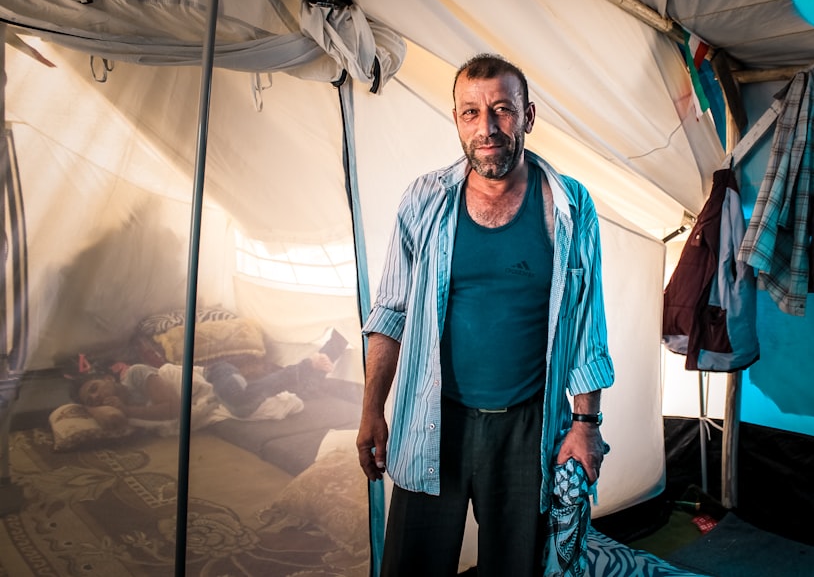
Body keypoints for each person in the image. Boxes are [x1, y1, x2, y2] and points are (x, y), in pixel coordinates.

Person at [357, 53, 614, 576]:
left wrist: (585, 424)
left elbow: (588, 323)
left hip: (527, 426)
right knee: (412, 565)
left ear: (528, 116)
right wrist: (371, 410)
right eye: (471, 113)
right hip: (432, 419)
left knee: (516, 566)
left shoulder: (569, 205)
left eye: (502, 109)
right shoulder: (424, 201)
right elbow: (390, 313)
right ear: (456, 119)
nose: (487, 127)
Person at [72, 352, 340, 422]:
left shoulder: (135, 375)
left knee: (238, 400)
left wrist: (127, 411)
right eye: (91, 400)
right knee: (245, 403)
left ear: (108, 379)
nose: (96, 397)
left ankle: (307, 365)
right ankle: (310, 374)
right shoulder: (129, 401)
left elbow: (172, 408)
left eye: (94, 388)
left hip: (217, 374)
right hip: (218, 382)